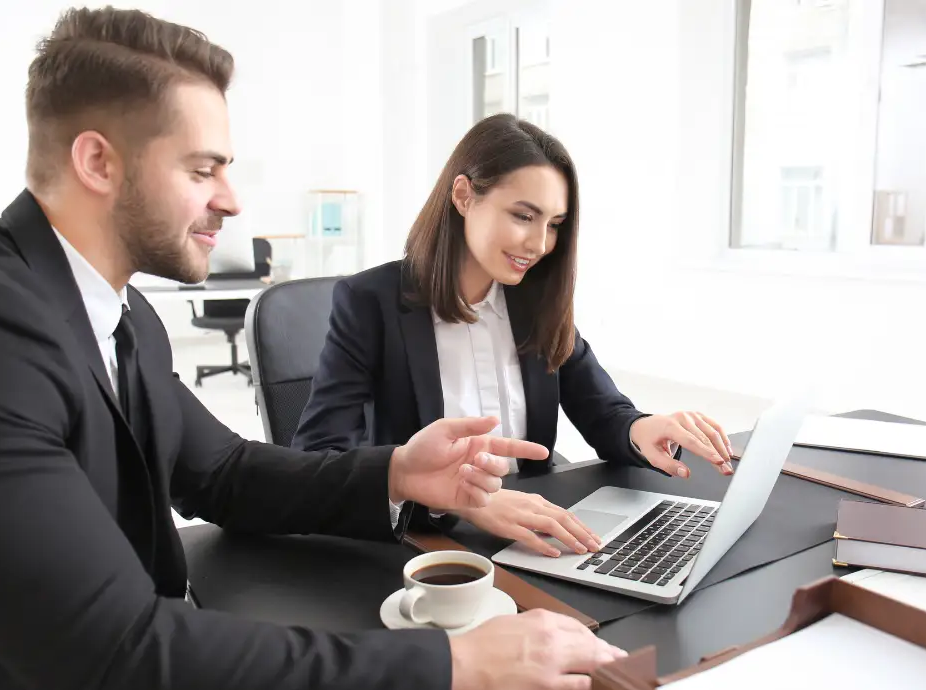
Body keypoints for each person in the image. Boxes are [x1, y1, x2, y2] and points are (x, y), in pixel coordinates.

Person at [0, 8, 625, 690]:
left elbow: (225, 472)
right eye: (204, 169)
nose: (234, 199)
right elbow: (120, 661)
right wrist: (448, 667)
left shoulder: (120, 315)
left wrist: (396, 475)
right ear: (98, 163)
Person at [293, 114, 735, 558]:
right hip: (429, 544)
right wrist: (462, 502)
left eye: (555, 224)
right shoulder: (370, 302)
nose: (540, 244)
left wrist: (644, 428)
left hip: (534, 531)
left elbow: (603, 412)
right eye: (524, 216)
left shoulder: (535, 300)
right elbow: (318, 456)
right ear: (463, 196)